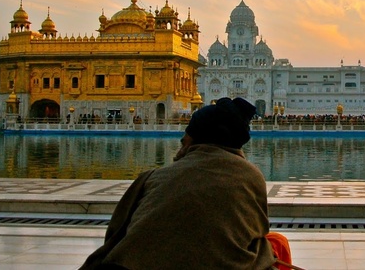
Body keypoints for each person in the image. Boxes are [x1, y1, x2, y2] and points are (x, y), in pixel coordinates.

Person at [80, 97, 292, 270]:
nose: (180, 146)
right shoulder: (250, 176)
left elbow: (115, 234)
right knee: (276, 243)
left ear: (194, 139)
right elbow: (256, 233)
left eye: (185, 138)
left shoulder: (153, 177)